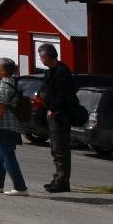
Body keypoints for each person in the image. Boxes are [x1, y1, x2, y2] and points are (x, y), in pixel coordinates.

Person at [0, 57, 28, 195]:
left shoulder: (4, 85)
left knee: (8, 156)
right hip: (8, 125)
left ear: (3, 71)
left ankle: (21, 188)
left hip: (6, 125)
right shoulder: (11, 83)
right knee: (1, 155)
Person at [37, 43, 75, 193]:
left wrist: (53, 108)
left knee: (60, 149)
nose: (40, 60)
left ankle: (62, 181)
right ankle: (57, 178)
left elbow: (63, 95)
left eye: (41, 57)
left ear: (47, 56)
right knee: (54, 148)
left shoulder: (62, 71)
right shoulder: (50, 72)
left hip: (61, 115)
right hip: (52, 114)